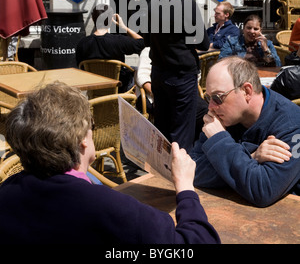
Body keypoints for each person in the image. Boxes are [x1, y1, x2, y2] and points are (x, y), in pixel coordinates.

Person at [0, 82, 221, 245]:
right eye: (91, 125)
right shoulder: (106, 207)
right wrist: (185, 189)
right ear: (82, 141)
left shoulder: (7, 191)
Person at [191, 56, 300, 207]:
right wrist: (252, 155)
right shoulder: (222, 117)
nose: (210, 107)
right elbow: (192, 169)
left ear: (247, 91)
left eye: (217, 97)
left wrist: (220, 140)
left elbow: (262, 190)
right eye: (208, 97)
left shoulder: (292, 124)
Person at [149, 0, 209, 152]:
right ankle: (180, 179)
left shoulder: (155, 2)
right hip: (181, 76)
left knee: (163, 130)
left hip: (158, 73)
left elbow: (148, 36)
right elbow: (204, 43)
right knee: (182, 135)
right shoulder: (186, 4)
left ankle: (161, 176)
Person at [76, 4, 144, 91]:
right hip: (119, 88)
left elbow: (80, 66)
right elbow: (141, 43)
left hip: (95, 88)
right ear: (110, 21)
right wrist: (123, 27)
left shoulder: (82, 43)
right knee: (138, 71)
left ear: (93, 19)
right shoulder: (118, 41)